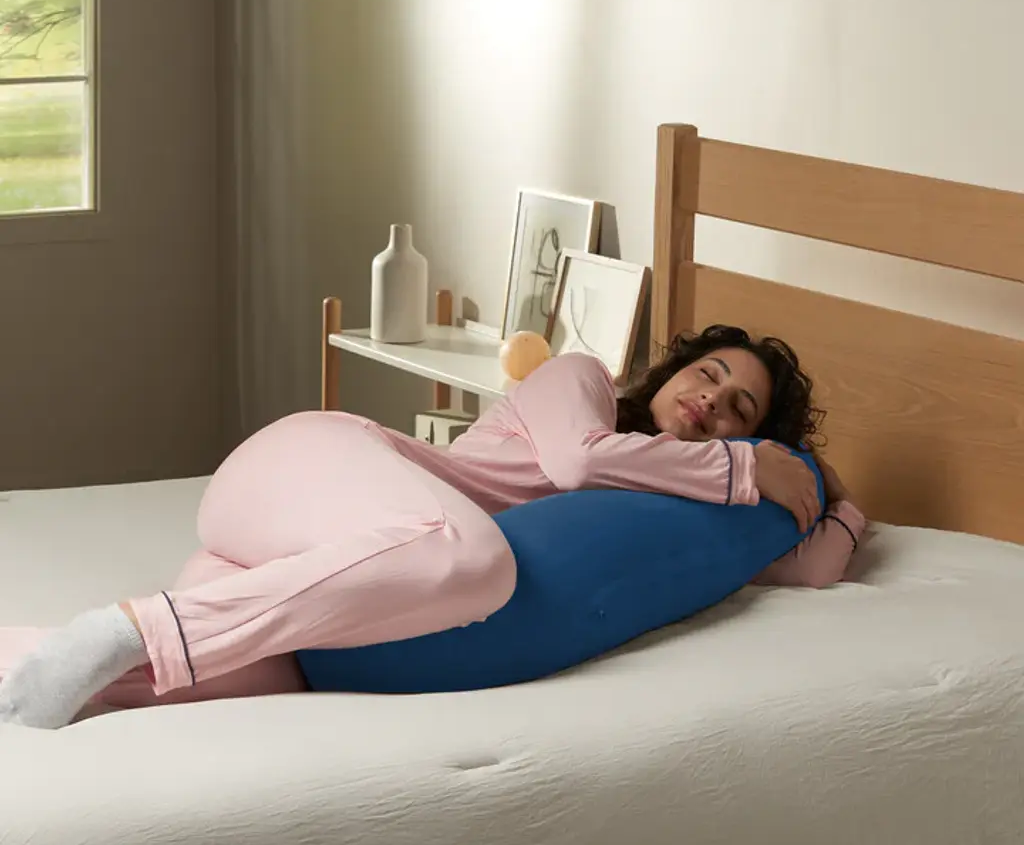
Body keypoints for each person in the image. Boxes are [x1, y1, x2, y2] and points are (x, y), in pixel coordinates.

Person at [0, 325, 864, 729]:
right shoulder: (581, 381)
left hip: (319, 554)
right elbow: (576, 462)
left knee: (226, 685)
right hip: (310, 464)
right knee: (477, 562)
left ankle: (37, 658)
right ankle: (130, 627)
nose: (711, 400)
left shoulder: (669, 502)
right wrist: (744, 468)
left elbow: (806, 568)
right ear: (671, 369)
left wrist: (846, 503)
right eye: (708, 373)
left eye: (738, 408)